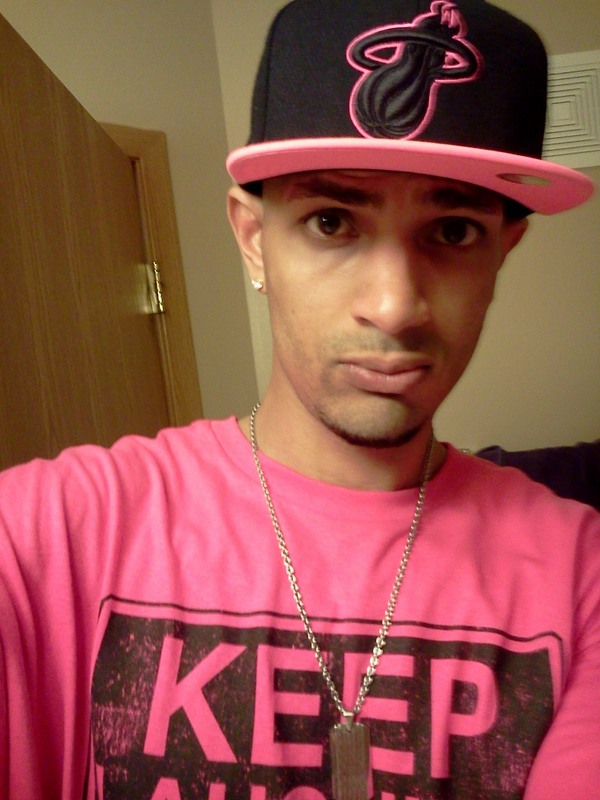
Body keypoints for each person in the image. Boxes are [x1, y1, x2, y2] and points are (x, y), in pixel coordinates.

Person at [0, 1, 598, 798]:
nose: (394, 306)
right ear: (253, 239)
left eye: (453, 232)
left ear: (501, 253)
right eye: (331, 221)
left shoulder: (582, 578)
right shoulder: (44, 534)